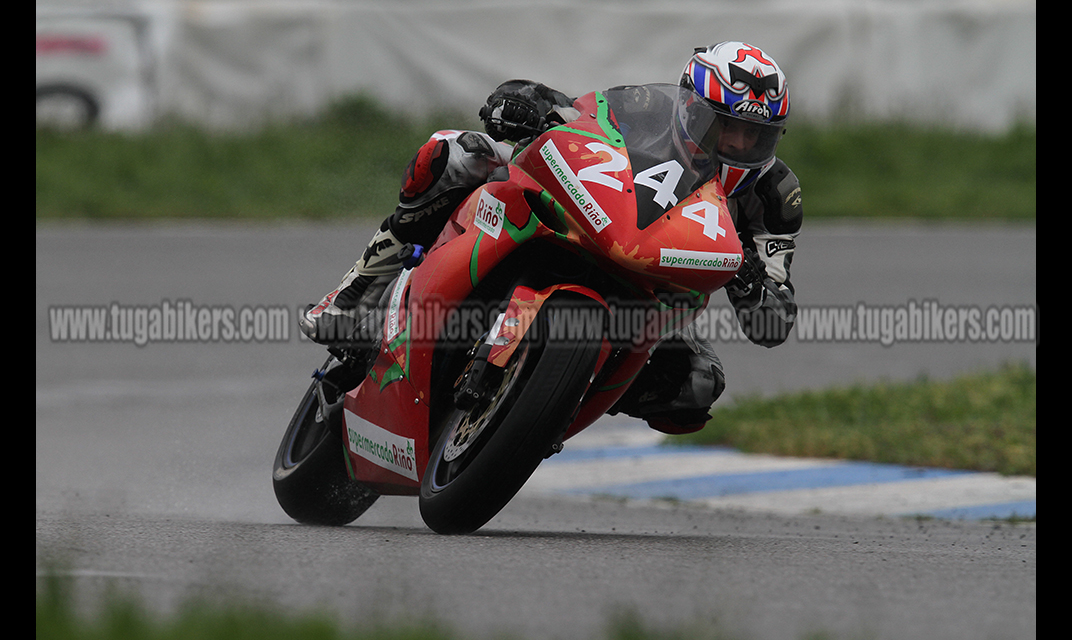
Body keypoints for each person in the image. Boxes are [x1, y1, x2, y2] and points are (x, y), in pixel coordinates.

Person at [299, 41, 801, 434]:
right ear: (690, 108)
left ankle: (552, 402)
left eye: (753, 137)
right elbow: (580, 112)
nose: (736, 145)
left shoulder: (775, 196)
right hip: (585, 216)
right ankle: (356, 292)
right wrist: (524, 101)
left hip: (657, 296)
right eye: (724, 127)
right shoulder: (651, 108)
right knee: (454, 154)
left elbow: (772, 324)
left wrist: (753, 282)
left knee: (696, 386)